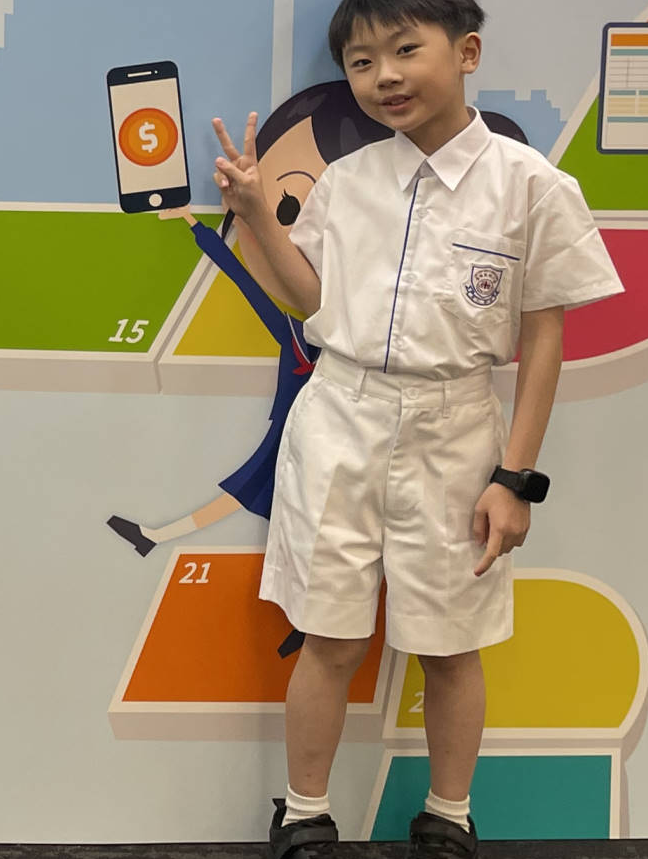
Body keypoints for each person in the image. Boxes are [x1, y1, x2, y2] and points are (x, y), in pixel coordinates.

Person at [211, 0, 621, 859]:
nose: (384, 76)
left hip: (457, 426)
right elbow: (308, 300)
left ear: (466, 52)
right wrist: (252, 210)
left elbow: (545, 340)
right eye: (361, 62)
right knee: (331, 635)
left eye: (405, 49)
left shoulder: (532, 187)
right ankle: (303, 821)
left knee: (451, 643)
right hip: (342, 416)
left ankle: (448, 823)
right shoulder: (350, 182)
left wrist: (514, 477)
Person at [107, 81, 536, 564]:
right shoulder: (304, 327)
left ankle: (156, 534)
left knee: (273, 501)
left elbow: (543, 335)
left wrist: (515, 479)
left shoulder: (512, 192)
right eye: (290, 207)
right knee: (288, 525)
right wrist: (220, 221)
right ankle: (157, 534)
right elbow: (269, 288)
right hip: (319, 428)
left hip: (425, 444)